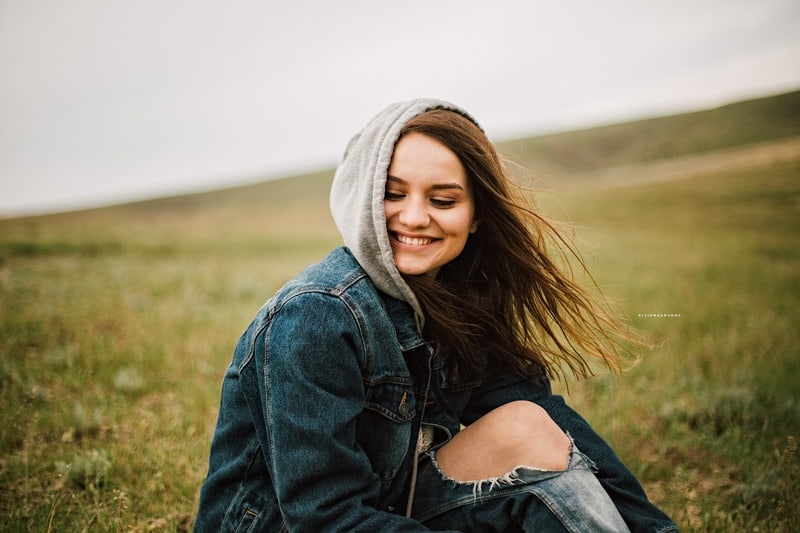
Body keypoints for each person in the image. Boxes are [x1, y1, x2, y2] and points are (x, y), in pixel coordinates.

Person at [194, 98, 678, 532]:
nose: (414, 217)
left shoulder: (457, 299)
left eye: (443, 200)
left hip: (386, 510)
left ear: (475, 215)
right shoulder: (316, 318)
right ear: (363, 196)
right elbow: (325, 517)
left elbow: (555, 429)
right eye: (393, 193)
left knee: (526, 426)